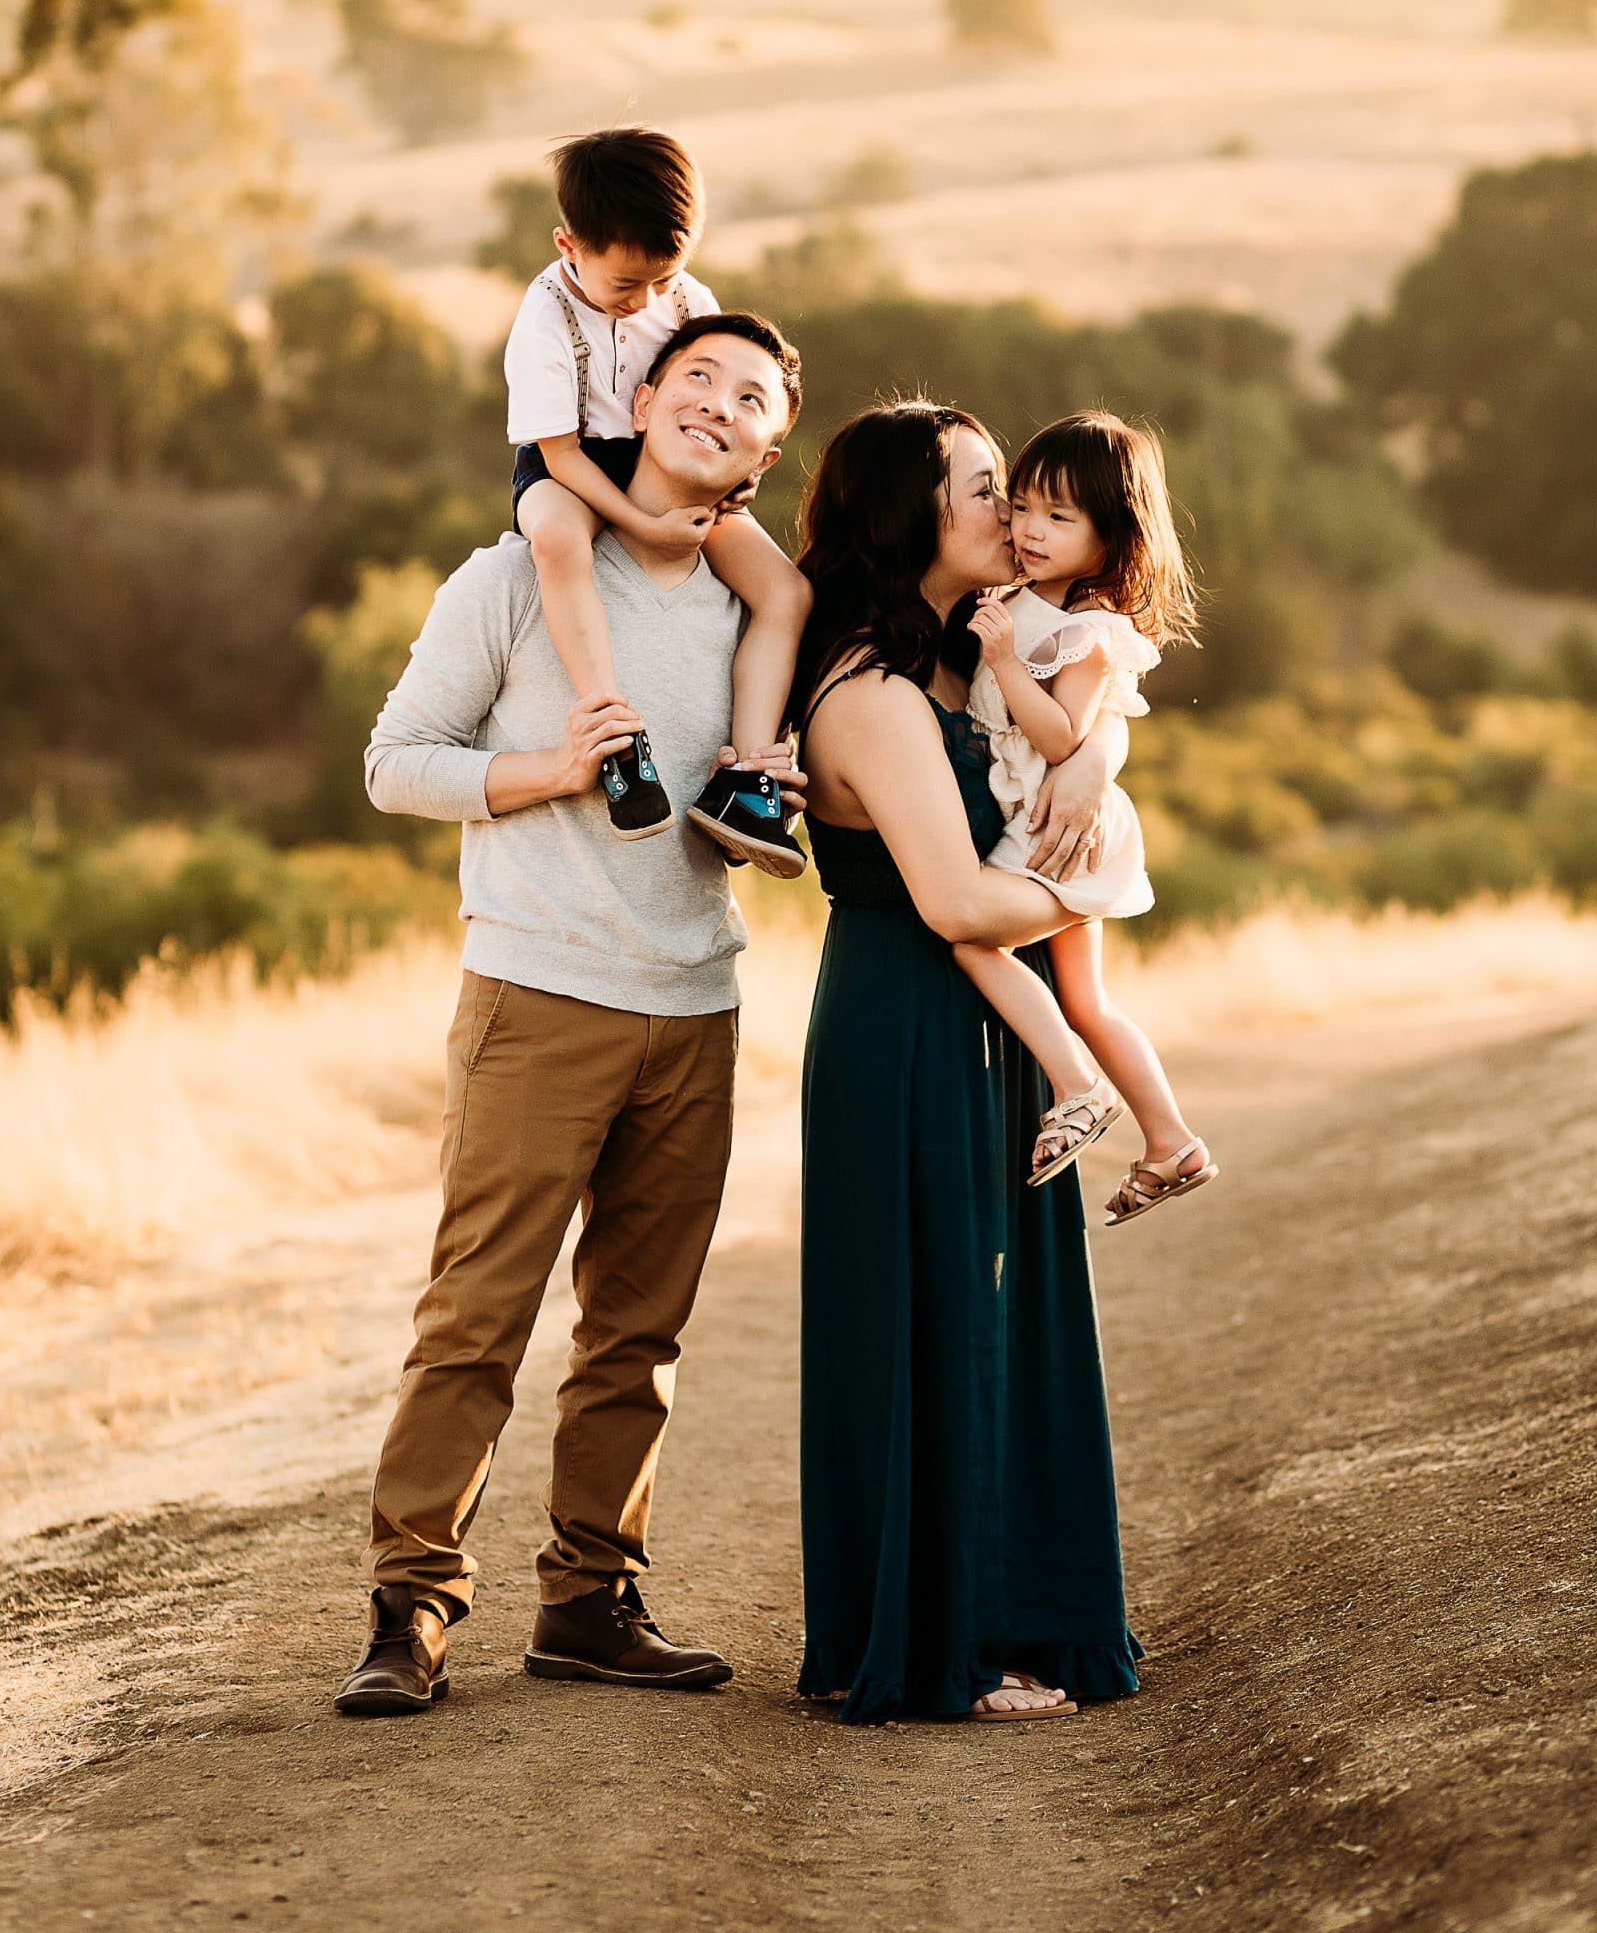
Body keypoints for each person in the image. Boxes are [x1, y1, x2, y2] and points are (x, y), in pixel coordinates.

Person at [334, 311, 805, 1718]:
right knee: (477, 1319)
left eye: (756, 398)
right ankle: (410, 1608)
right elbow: (395, 763)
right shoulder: (514, 575)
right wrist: (547, 768)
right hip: (538, 994)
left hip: (698, 1002)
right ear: (643, 396)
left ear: (768, 452)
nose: (721, 403)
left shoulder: (751, 607)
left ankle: (590, 1601)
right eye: (700, 378)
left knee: (637, 1335)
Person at [792, 401, 1144, 1724]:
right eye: (985, 487)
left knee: (1002, 1317)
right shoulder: (871, 690)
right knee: (930, 1317)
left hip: (978, 1018)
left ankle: (1021, 1610)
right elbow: (950, 900)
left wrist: (1095, 757)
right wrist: (1099, 889)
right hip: (905, 1018)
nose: (1013, 511)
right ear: (913, 512)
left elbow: (1078, 735)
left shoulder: (953, 664)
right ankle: (942, 1635)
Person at [502, 125, 809, 874]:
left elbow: (716, 393)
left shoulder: (681, 295)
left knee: (786, 592)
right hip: (571, 469)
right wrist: (645, 525)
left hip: (668, 465)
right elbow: (560, 453)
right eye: (626, 287)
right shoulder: (544, 319)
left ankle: (749, 775)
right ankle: (617, 741)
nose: (647, 301)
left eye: (662, 282)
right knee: (558, 544)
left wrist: (734, 478)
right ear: (568, 245)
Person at [955, 411, 1218, 1224]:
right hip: (1048, 821)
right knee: (1087, 1000)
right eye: (1023, 505)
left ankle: (1076, 1087)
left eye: (1059, 518)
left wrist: (1001, 658)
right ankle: (1171, 1141)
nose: (1030, 529)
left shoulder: (1090, 632)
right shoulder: (1013, 595)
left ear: (1108, 540)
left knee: (971, 936)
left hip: (1054, 831)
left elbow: (1064, 734)